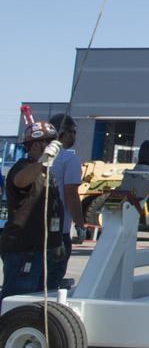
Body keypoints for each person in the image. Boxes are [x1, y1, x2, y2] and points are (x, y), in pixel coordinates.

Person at [1, 121, 67, 302]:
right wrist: (42, 161)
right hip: (24, 251)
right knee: (17, 303)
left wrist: (57, 240)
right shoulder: (24, 167)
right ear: (37, 144)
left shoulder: (47, 173)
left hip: (45, 251)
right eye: (49, 143)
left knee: (36, 303)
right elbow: (21, 180)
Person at [47, 113, 85, 288]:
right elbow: (71, 194)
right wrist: (80, 225)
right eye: (73, 132)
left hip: (35, 230)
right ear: (65, 133)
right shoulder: (70, 159)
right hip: (59, 232)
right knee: (52, 280)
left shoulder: (40, 158)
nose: (74, 136)